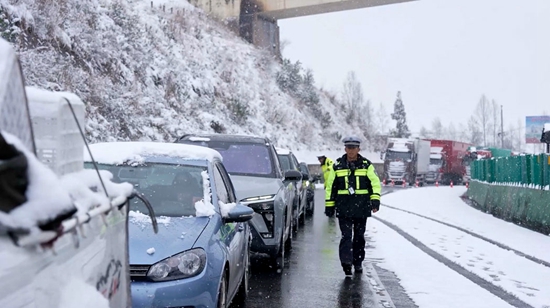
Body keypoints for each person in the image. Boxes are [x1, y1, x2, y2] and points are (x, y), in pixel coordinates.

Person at [324, 136, 381, 277]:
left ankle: (357, 262)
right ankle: (346, 263)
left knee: (359, 237)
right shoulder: (337, 165)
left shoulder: (367, 165)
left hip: (361, 208)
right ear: (345, 149)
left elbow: (375, 183)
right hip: (344, 208)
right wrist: (329, 205)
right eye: (348, 148)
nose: (351, 150)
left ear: (358, 149)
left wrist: (375, 201)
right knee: (346, 237)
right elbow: (331, 186)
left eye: (353, 148)